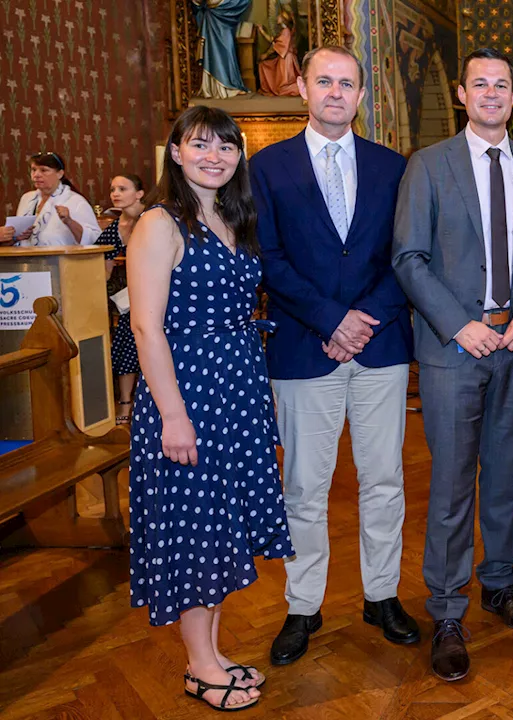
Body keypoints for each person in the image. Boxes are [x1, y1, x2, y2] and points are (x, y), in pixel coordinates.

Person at [250, 46, 418, 667]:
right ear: (301, 87)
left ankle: (381, 595)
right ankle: (303, 604)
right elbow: (267, 257)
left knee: (384, 482)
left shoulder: (393, 167)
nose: (336, 92)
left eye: (348, 83)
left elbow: (407, 254)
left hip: (380, 346)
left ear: (362, 95)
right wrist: (329, 319)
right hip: (302, 347)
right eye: (324, 81)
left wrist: (360, 323)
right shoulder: (266, 168)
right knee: (304, 487)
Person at [393, 48, 513, 682]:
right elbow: (409, 257)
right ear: (462, 94)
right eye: (480, 84)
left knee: (507, 479)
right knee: (455, 483)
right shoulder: (428, 167)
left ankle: (499, 583)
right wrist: (458, 324)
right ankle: (448, 609)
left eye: (502, 85)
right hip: (451, 349)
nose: (491, 94)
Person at [127, 105, 293, 711]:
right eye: (200, 146)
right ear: (175, 152)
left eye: (226, 147)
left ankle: (215, 652)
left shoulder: (230, 215)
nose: (214, 157)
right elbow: (146, 329)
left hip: (236, 391)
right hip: (188, 394)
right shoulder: (160, 223)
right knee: (194, 527)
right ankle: (199, 666)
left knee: (222, 529)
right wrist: (172, 415)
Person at [95, 174, 147, 424]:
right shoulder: (113, 229)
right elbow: (102, 268)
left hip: (157, 295)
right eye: (112, 188)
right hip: (126, 300)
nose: (115, 193)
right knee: (126, 342)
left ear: (139, 194)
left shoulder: (153, 220)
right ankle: (126, 404)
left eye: (122, 188)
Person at [0, 152, 102, 247]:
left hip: (62, 263)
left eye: (44, 170)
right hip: (24, 263)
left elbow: (95, 240)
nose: (36, 175)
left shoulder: (76, 201)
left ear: (60, 174)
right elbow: (19, 239)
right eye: (33, 170)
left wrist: (69, 222)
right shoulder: (27, 199)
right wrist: (12, 237)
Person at [256, 9, 302, 96]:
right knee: (265, 65)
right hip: (284, 57)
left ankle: (302, 88)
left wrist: (266, 54)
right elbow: (274, 41)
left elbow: (277, 46)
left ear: (283, 19)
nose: (277, 17)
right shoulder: (284, 31)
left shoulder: (286, 31)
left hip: (286, 59)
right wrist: (262, 31)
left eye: (279, 16)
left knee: (284, 85)